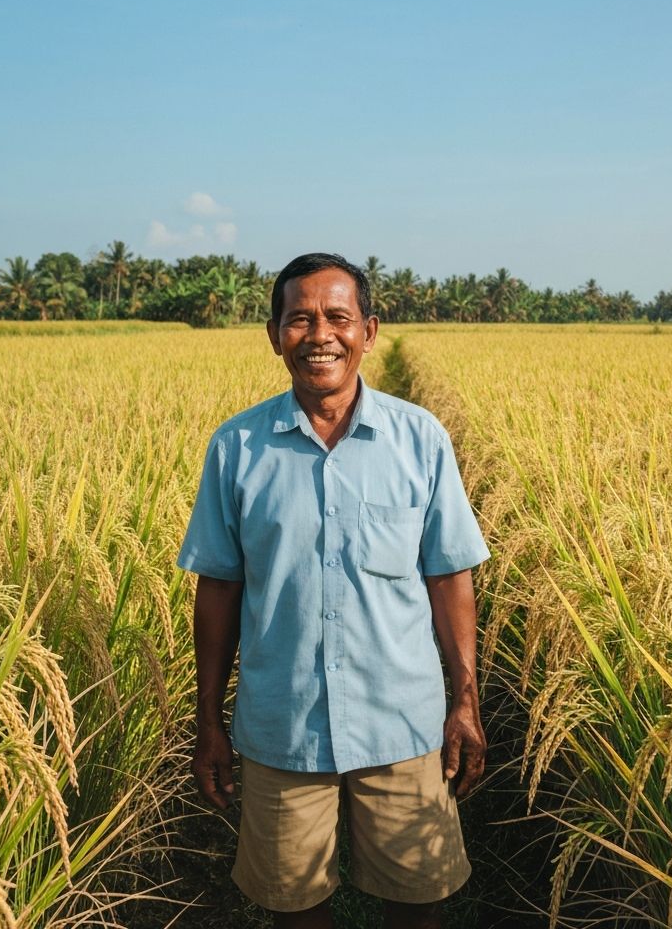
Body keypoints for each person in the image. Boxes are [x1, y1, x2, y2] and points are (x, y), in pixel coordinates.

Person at [177, 253, 489, 929]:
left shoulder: (420, 440)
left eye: (338, 318)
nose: (320, 335)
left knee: (418, 907)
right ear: (274, 335)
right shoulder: (236, 448)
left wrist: (465, 701)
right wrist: (209, 721)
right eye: (300, 319)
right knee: (294, 908)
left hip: (403, 725)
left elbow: (448, 576)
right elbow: (219, 588)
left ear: (368, 332)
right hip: (282, 729)